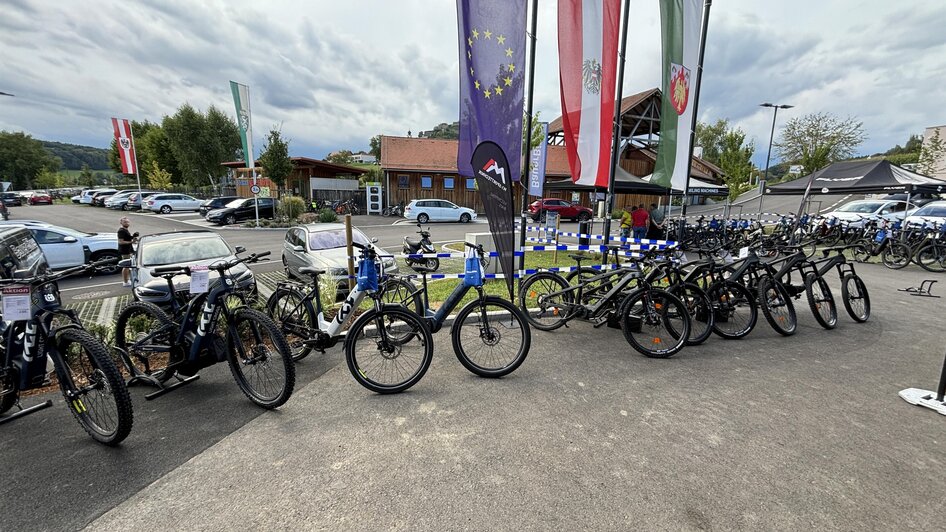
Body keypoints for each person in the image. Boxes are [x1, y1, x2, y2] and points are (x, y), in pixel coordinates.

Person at [117, 217, 138, 287]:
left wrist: (133, 237)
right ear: (121, 223)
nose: (127, 223)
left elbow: (127, 238)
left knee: (129, 265)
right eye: (125, 222)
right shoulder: (121, 231)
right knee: (126, 266)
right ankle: (125, 281)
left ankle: (128, 280)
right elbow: (121, 242)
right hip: (125, 251)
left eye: (128, 222)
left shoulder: (125, 230)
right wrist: (132, 241)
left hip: (128, 250)